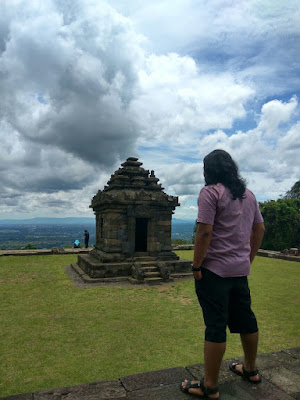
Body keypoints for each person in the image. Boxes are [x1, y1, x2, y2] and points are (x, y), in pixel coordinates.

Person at [180, 150, 265, 399]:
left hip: (214, 271)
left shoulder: (210, 192)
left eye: (204, 168)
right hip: (239, 271)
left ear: (210, 170)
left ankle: (210, 386)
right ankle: (250, 370)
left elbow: (204, 232)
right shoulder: (248, 195)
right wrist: (247, 258)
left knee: (215, 325)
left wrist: (196, 266)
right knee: (246, 319)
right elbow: (259, 228)